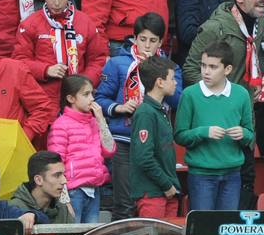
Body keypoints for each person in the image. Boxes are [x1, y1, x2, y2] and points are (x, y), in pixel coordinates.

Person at [96, 13, 182, 220]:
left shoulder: (170, 68)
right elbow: (99, 98)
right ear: (135, 38)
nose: (147, 45)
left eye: (153, 41)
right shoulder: (118, 63)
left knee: (158, 198)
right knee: (125, 203)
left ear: (161, 42)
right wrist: (119, 108)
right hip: (124, 138)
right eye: (142, 39)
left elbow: (178, 100)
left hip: (157, 143)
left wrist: (156, 77)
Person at [173, 41, 254, 211]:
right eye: (203, 65)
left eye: (213, 67)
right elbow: (180, 135)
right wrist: (204, 132)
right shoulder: (190, 94)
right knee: (204, 228)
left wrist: (243, 134)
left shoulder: (241, 94)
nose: (206, 71)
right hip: (201, 174)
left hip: (233, 173)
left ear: (228, 70)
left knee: (227, 228)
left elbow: (250, 133)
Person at [13, 0, 109, 101]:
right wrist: (45, 70)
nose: (56, 3)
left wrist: (85, 83)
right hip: (42, 98)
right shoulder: (30, 24)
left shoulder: (85, 22)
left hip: (78, 99)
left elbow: (97, 60)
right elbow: (19, 61)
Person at [47, 73, 113, 223]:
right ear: (71, 99)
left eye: (92, 93)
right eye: (86, 94)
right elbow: (56, 163)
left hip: (94, 190)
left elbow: (109, 150)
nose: (92, 99)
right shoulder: (61, 125)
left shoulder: (94, 122)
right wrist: (64, 199)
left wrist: (101, 120)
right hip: (73, 191)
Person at [126, 54, 180, 218]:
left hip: (166, 191)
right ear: (160, 82)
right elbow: (144, 157)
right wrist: (166, 184)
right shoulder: (145, 113)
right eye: (172, 78)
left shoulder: (158, 111)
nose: (176, 82)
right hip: (153, 193)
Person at [8, 149, 77, 225]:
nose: (64, 181)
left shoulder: (62, 209)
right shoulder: (13, 209)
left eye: (64, 175)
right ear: (38, 180)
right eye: (57, 175)